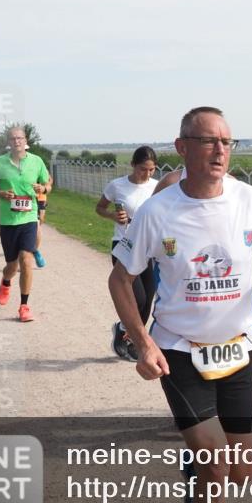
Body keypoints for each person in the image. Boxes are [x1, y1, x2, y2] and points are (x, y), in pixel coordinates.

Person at [108, 106, 252, 503]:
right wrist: (143, 341)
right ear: (183, 146)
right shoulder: (158, 210)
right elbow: (120, 279)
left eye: (227, 142)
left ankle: (197, 469)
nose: (220, 151)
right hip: (178, 348)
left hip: (237, 349)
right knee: (215, 467)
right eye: (209, 141)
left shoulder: (248, 199)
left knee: (241, 470)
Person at [96, 146, 159, 361]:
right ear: (133, 165)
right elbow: (100, 208)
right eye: (143, 169)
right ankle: (125, 328)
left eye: (152, 170)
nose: (148, 174)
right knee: (137, 298)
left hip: (149, 249)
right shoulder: (117, 185)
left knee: (148, 301)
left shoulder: (158, 187)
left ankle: (129, 337)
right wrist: (114, 216)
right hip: (123, 246)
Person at [0, 127, 50, 323]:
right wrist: (1, 194)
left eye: (20, 138)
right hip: (8, 221)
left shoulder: (36, 161)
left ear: (25, 140)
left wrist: (43, 188)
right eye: (13, 139)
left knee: (26, 259)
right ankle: (6, 282)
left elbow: (48, 185)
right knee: (11, 266)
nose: (17, 141)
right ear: (8, 141)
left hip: (29, 218)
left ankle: (24, 306)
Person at [32, 173, 52, 268]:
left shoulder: (40, 167)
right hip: (30, 198)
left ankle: (35, 250)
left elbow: (50, 180)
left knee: (39, 222)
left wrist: (44, 187)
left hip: (41, 198)